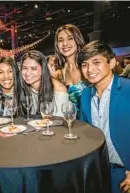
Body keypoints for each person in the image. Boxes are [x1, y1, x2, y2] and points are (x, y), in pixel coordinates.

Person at [79, 40, 130, 193]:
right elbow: (85, 132)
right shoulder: (86, 95)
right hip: (97, 169)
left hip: (125, 171)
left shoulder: (127, 90)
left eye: (96, 62)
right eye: (84, 65)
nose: (90, 69)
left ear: (112, 62)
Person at [20, 50, 69, 117]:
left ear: (43, 69)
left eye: (33, 68)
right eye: (25, 68)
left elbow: (60, 121)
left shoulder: (59, 89)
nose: (28, 73)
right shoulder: (22, 87)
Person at [54, 24, 87, 117]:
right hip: (72, 123)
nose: (65, 43)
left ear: (77, 40)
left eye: (70, 38)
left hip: (93, 121)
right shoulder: (61, 71)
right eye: (60, 40)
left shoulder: (88, 66)